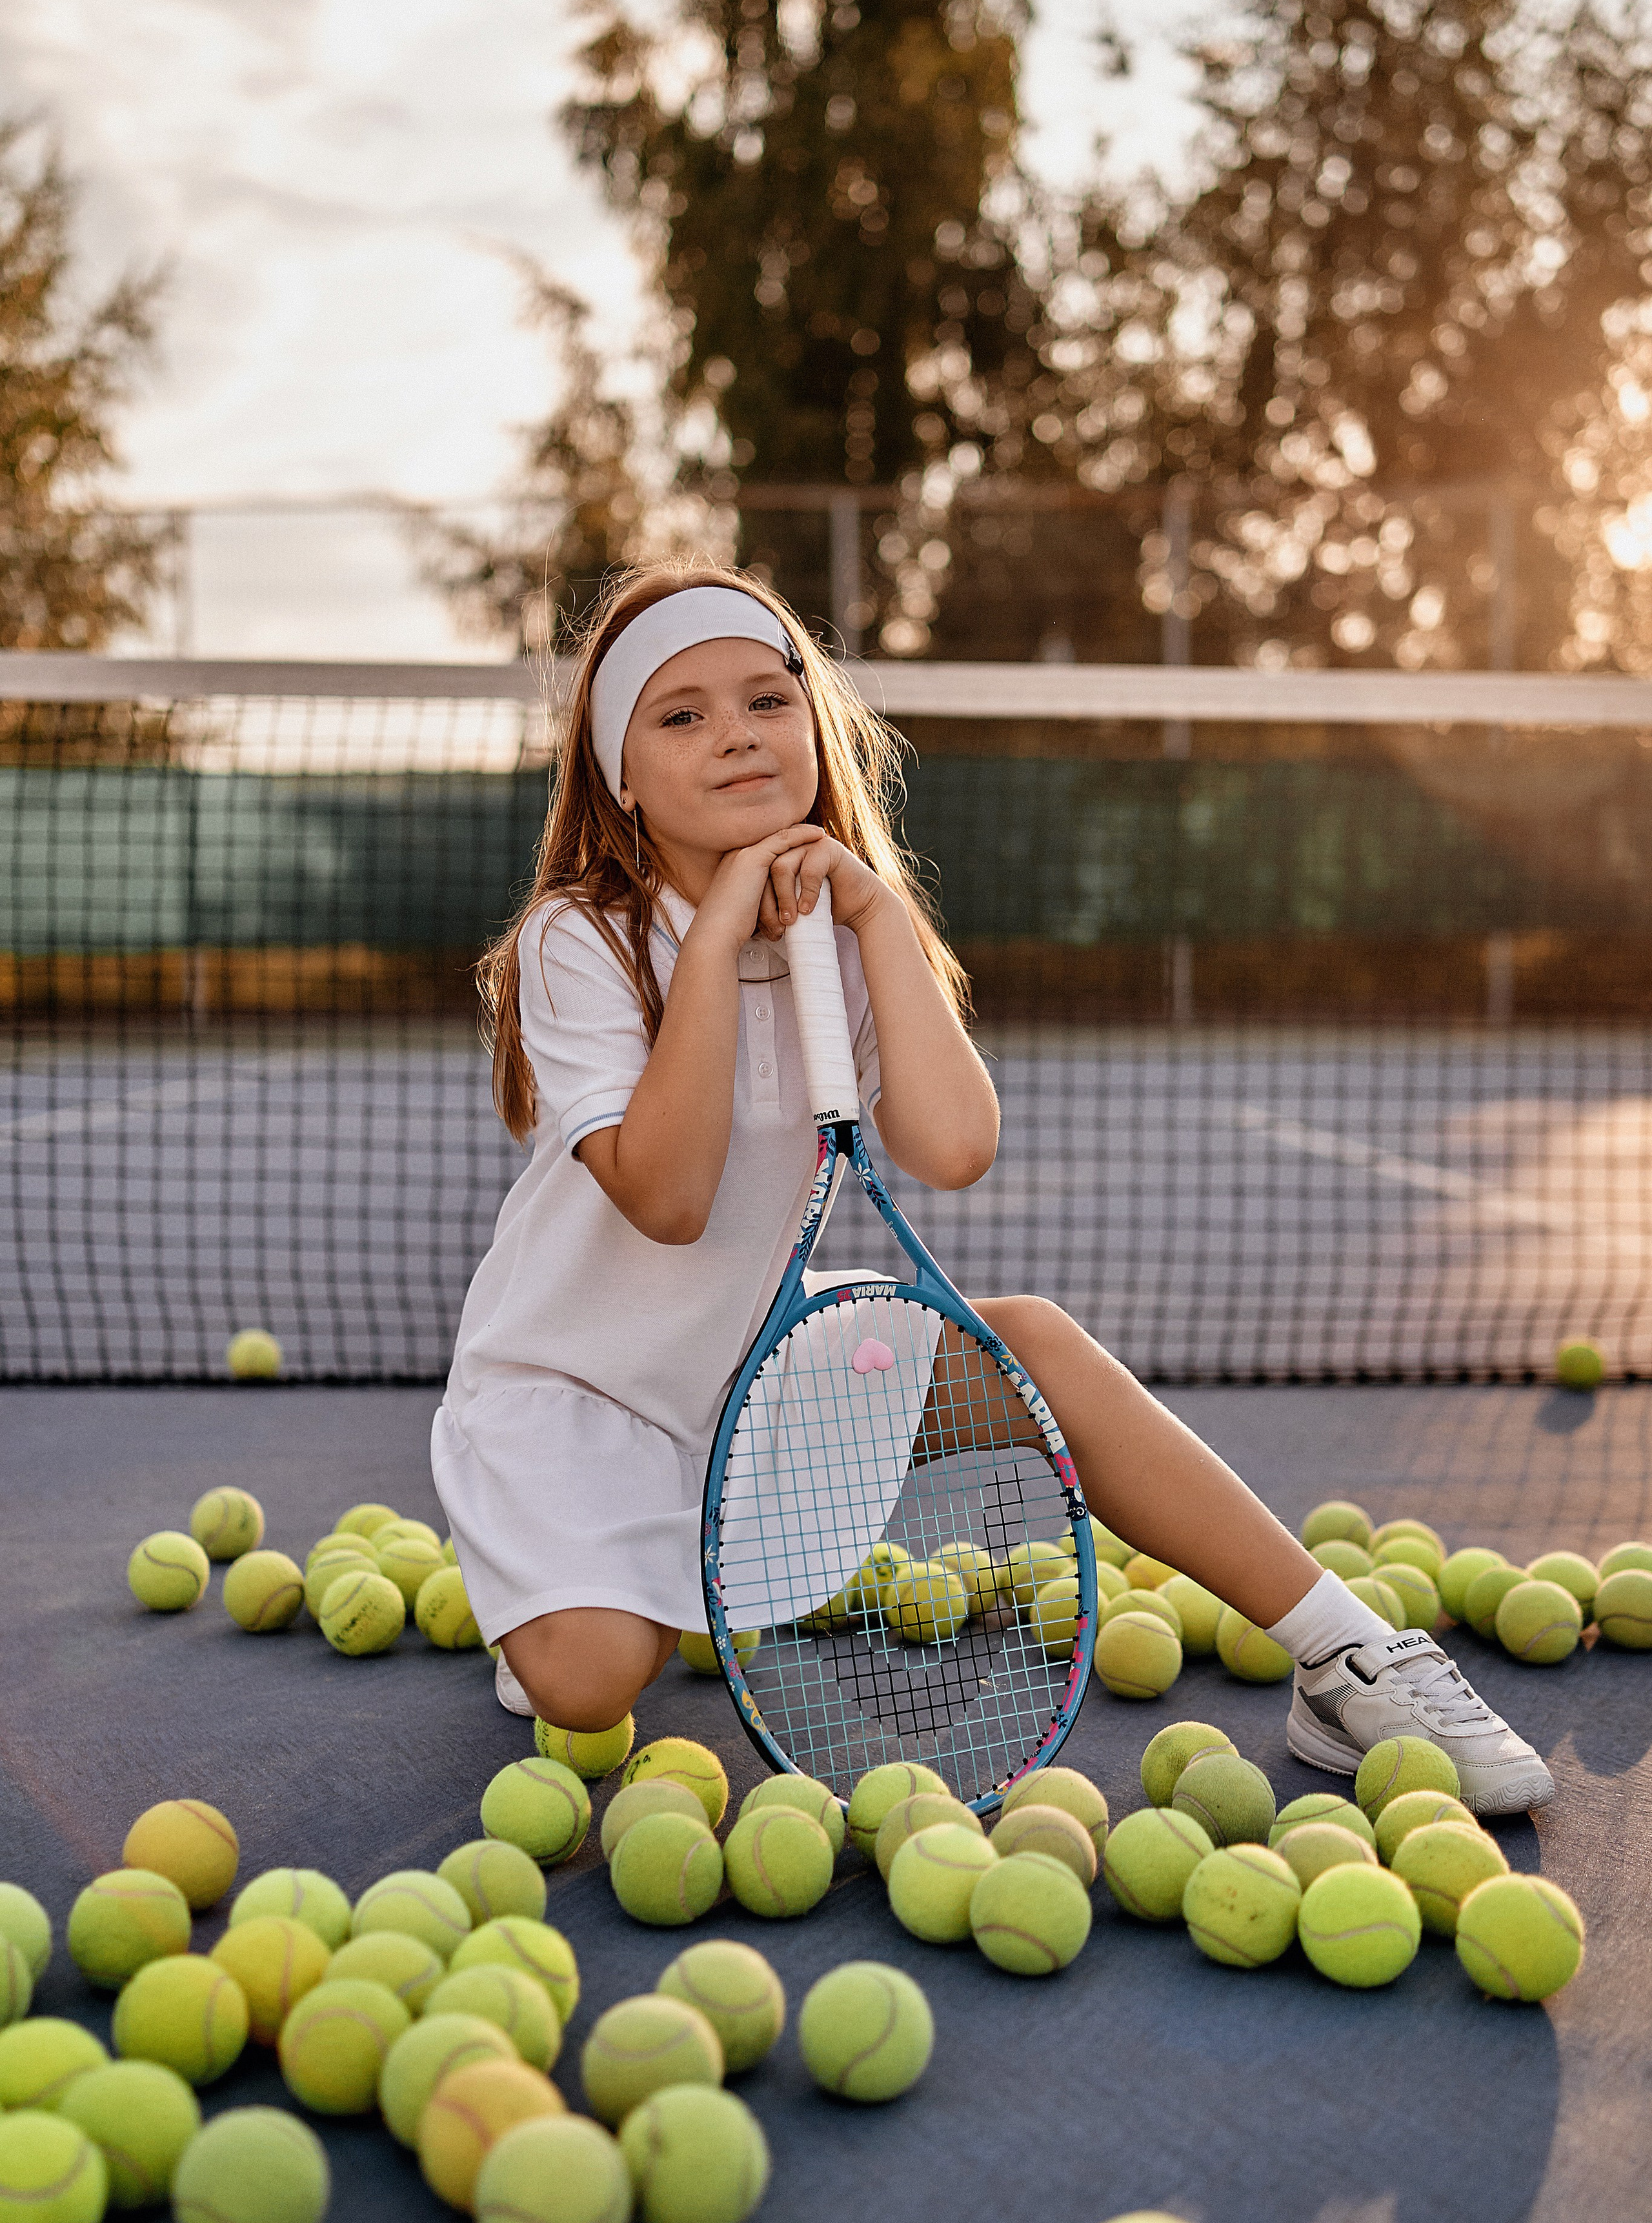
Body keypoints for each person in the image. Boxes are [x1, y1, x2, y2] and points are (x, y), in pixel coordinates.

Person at [432, 561, 1552, 1818]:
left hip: (754, 1382)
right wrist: (717, 934)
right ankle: (552, 1575)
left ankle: (1346, 1654)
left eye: (765, 699)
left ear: (813, 727)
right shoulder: (577, 941)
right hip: (571, 1392)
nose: (736, 733)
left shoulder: (848, 938)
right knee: (586, 1684)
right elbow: (669, 1198)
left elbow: (954, 1149)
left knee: (1028, 1341)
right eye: (679, 715)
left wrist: (874, 917)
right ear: (620, 777)